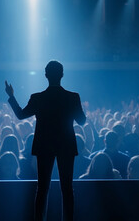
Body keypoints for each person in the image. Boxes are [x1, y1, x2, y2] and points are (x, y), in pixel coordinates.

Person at [5, 60, 86, 221]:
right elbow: (82, 121)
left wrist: (12, 96)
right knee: (67, 188)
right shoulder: (73, 97)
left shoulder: (38, 98)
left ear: (46, 75)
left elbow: (21, 115)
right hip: (66, 145)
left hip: (44, 145)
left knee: (42, 188)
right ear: (62, 75)